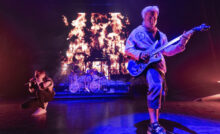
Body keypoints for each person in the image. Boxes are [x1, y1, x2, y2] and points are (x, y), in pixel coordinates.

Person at [125, 6, 192, 134]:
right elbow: (128, 49)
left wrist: (183, 41)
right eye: (150, 16)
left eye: (155, 17)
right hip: (144, 67)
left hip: (159, 66)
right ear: (144, 17)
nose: (152, 19)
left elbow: (168, 51)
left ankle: (154, 122)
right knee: (155, 85)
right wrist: (139, 54)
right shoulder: (136, 33)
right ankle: (154, 124)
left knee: (160, 93)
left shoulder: (161, 36)